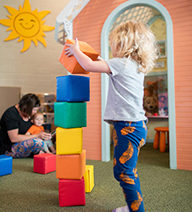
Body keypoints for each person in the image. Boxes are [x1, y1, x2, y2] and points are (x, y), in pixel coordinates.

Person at [65, 21, 157, 212]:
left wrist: (76, 51)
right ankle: (132, 207)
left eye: (113, 44)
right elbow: (103, 64)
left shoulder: (120, 64)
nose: (111, 48)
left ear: (124, 44)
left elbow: (88, 65)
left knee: (124, 172)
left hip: (127, 126)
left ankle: (136, 210)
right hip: (134, 125)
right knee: (124, 170)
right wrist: (96, 56)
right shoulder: (133, 65)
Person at [0, 93, 51, 158]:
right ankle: (36, 152)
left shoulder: (29, 114)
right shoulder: (11, 114)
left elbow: (34, 129)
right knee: (38, 142)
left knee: (45, 142)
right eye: (34, 110)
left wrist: (44, 136)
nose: (35, 112)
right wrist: (37, 135)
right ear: (27, 107)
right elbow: (14, 138)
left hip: (24, 144)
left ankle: (38, 152)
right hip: (8, 149)